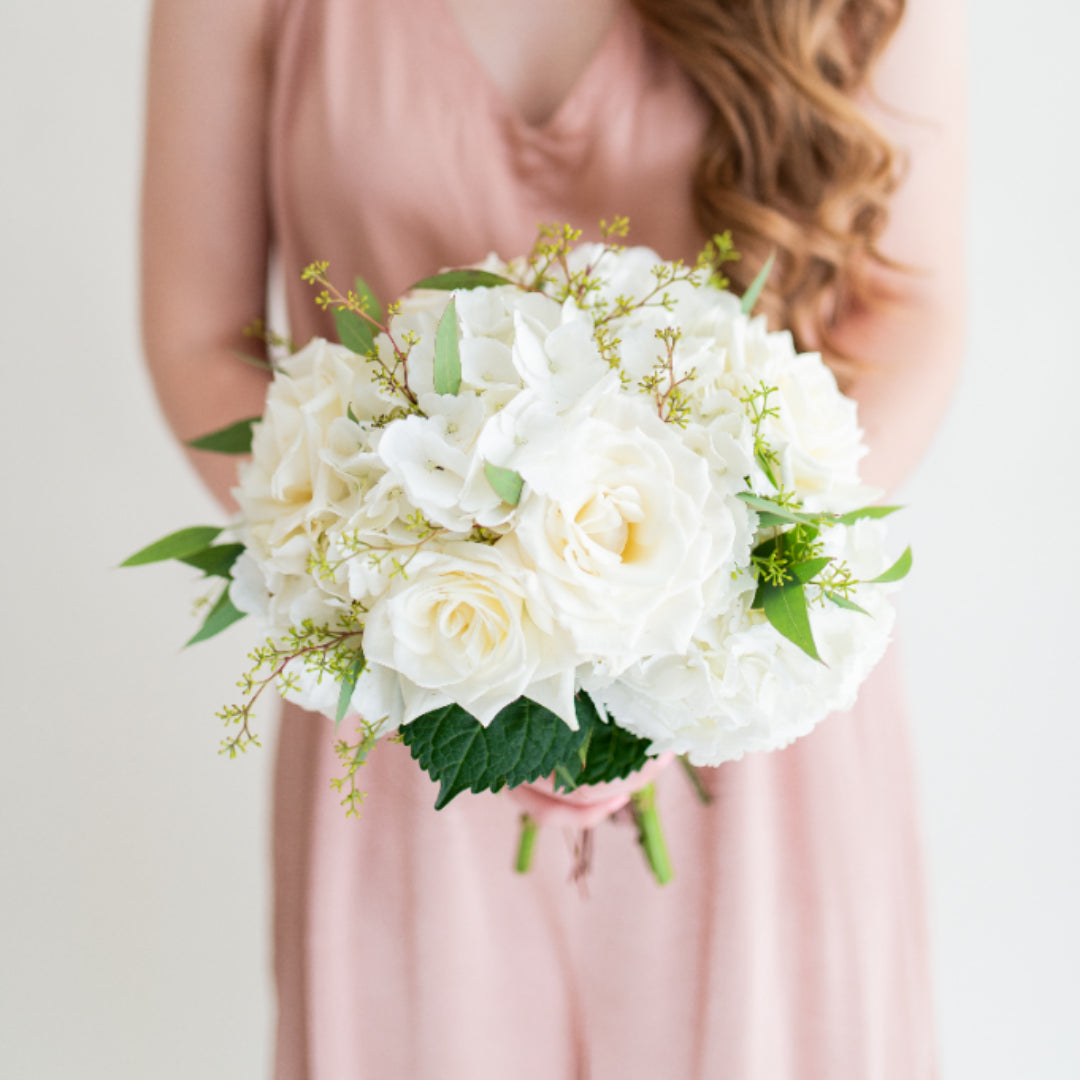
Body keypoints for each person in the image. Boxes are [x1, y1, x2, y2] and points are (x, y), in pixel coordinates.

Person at [141, 0, 966, 1075]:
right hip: (421, 681)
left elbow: (908, 312)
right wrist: (408, 572)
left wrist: (697, 612)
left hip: (744, 694)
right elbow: (201, 340)